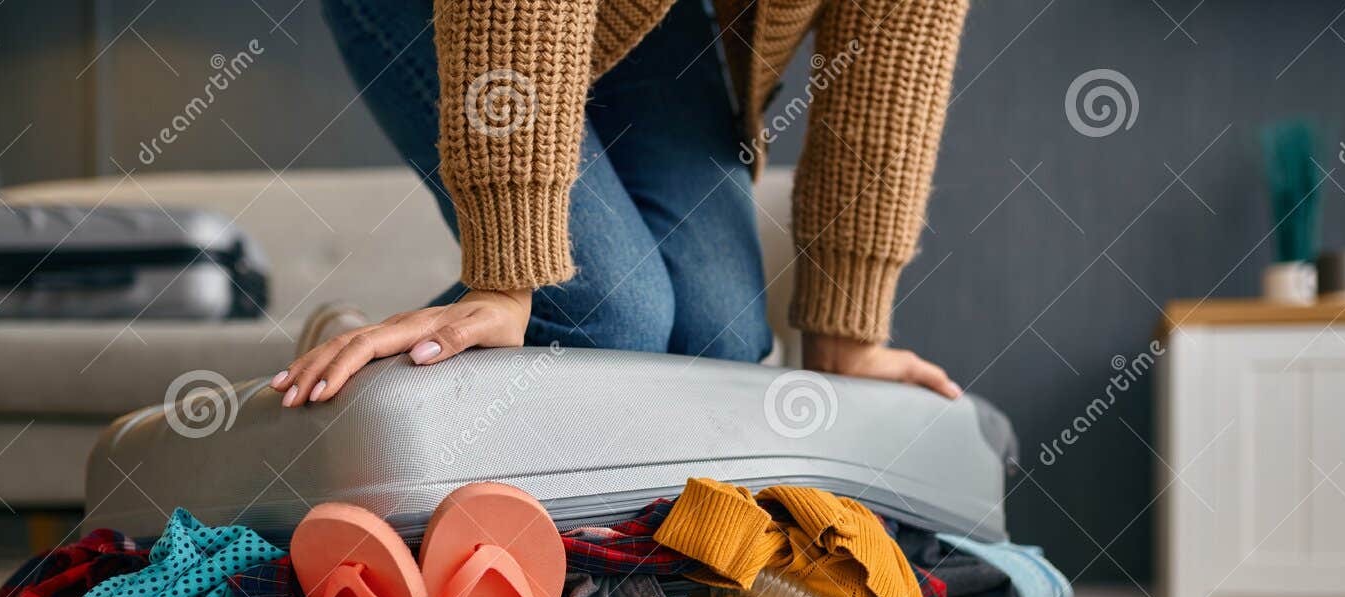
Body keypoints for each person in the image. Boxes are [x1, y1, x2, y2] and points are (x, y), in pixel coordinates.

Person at [273, 0, 969, 408]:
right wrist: (507, 279)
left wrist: (849, 335)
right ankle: (340, 401)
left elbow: (897, 43)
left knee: (721, 344)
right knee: (603, 313)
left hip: (661, 21)